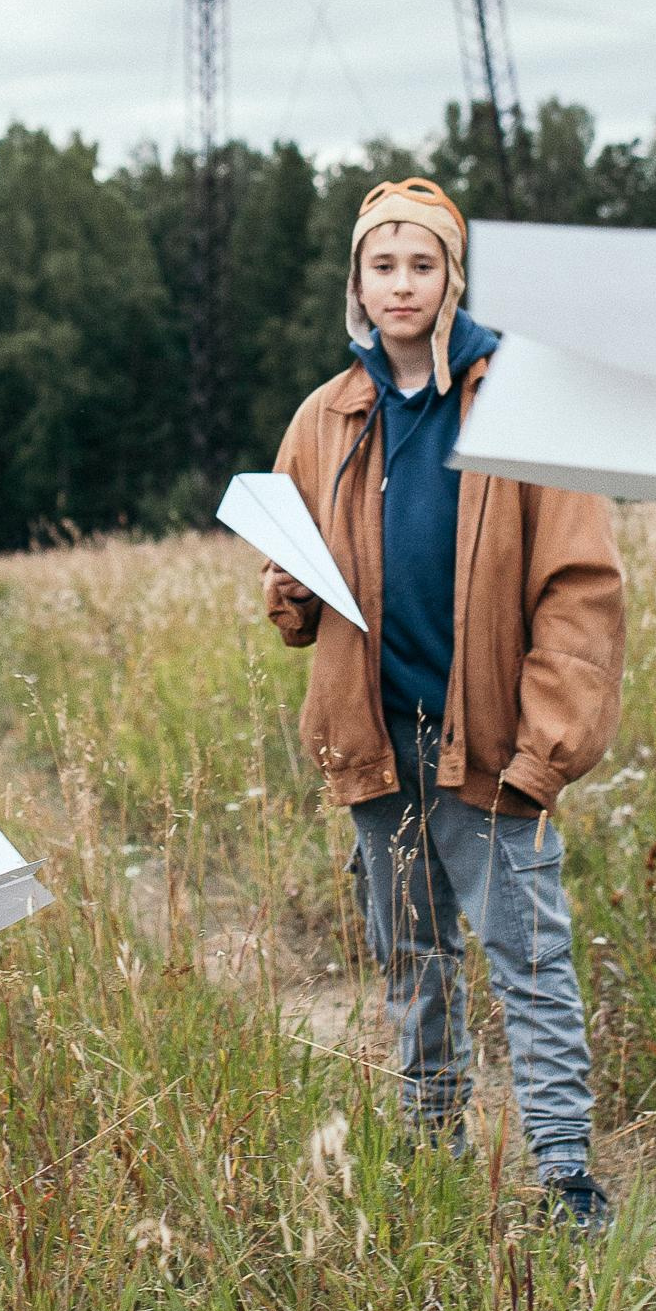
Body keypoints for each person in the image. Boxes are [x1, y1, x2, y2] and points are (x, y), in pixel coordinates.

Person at [262, 178, 624, 1225]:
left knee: (528, 955)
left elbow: (579, 586)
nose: (401, 284)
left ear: (451, 275)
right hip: (378, 737)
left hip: (490, 746)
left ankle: (563, 1171)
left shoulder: (517, 403)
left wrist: (544, 746)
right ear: (356, 282)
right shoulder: (326, 415)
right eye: (382, 265)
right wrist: (287, 586)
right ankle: (430, 1145)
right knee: (410, 954)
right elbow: (290, 598)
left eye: (421, 263)